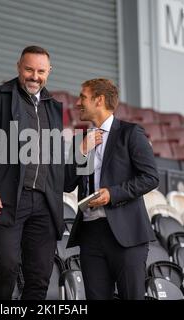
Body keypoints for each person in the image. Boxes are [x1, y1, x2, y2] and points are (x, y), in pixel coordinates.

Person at [0, 46, 64, 300]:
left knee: (40, 276)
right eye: (29, 69)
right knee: (7, 265)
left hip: (44, 203)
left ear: (49, 72)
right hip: (7, 198)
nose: (35, 76)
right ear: (18, 67)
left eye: (41, 71)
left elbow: (55, 157)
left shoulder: (54, 106)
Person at [65, 78, 159, 300]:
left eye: (83, 97)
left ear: (99, 100)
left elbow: (150, 177)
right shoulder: (82, 139)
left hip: (126, 235)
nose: (78, 102)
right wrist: (82, 151)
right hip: (90, 234)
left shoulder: (130, 133)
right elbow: (66, 183)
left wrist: (112, 194)